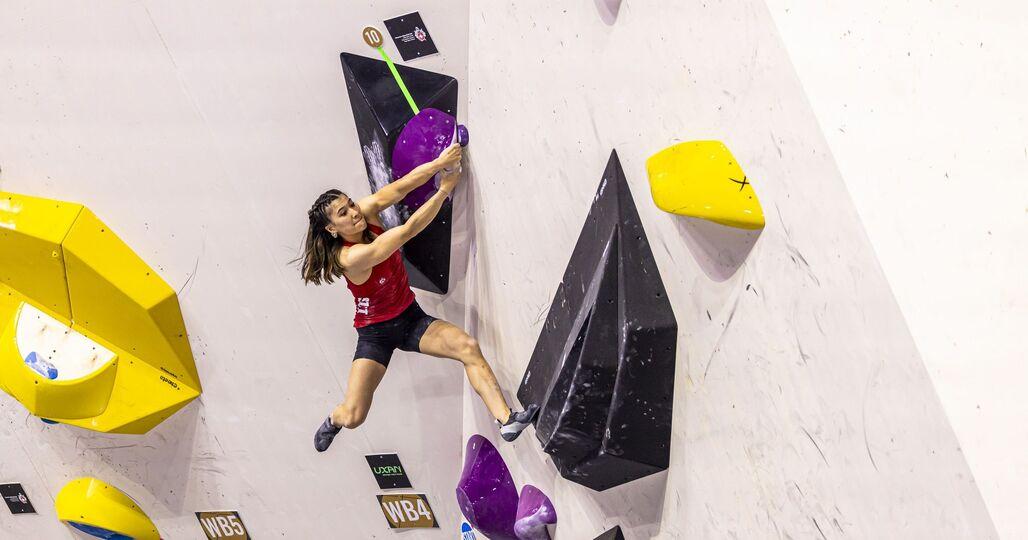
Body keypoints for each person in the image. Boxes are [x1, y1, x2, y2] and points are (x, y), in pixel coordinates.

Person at [297, 143, 538, 452]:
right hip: (376, 334)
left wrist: (439, 162)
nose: (355, 212)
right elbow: (408, 230)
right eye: (343, 213)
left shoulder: (365, 212)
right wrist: (444, 190)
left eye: (351, 204)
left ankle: (507, 421)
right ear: (332, 229)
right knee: (355, 415)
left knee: (467, 347)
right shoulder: (350, 257)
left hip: (411, 318)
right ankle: (335, 418)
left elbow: (400, 187)